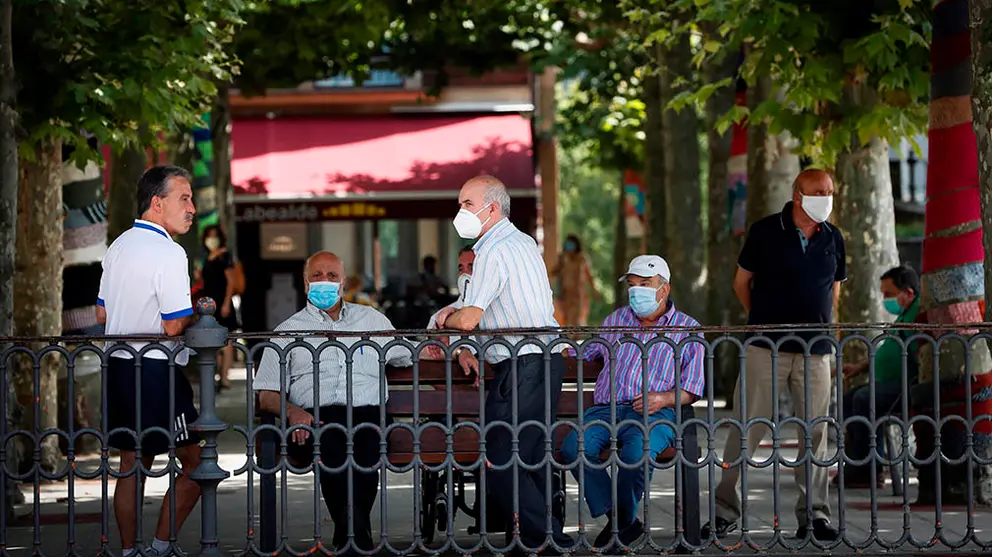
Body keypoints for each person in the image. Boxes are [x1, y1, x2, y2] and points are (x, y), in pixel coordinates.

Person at [704, 168, 847, 541]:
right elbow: (741, 283)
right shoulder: (765, 231)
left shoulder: (834, 237)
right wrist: (763, 323)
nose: (826, 197)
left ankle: (814, 515)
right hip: (765, 346)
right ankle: (724, 511)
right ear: (798, 194)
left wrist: (825, 328)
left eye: (830, 191)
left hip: (815, 351)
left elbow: (833, 290)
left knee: (815, 433)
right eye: (819, 191)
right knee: (745, 428)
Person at [435, 175, 574, 552]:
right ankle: (537, 537)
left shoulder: (493, 253)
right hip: (546, 361)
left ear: (491, 208)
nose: (460, 212)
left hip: (523, 365)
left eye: (467, 203)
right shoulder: (524, 242)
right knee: (528, 457)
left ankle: (547, 538)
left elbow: (469, 319)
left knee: (500, 460)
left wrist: (444, 318)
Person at [253, 251, 412, 554]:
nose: (324, 281)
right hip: (316, 418)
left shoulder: (372, 320)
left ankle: (348, 534)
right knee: (334, 451)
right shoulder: (287, 332)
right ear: (305, 282)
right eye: (317, 276)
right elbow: (267, 394)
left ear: (343, 282)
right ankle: (356, 536)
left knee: (366, 451)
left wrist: (456, 350)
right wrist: (292, 412)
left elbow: (411, 352)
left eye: (331, 276)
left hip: (369, 414)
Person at [560, 255, 705, 550]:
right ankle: (623, 520)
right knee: (572, 447)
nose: (636, 291)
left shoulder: (688, 329)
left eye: (645, 284)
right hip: (606, 409)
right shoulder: (615, 320)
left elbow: (693, 387)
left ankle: (620, 525)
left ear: (663, 289)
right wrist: (559, 348)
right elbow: (584, 353)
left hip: (656, 412)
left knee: (639, 448)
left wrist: (662, 398)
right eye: (632, 285)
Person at [95, 165, 201, 557]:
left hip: (120, 367)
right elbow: (174, 326)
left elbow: (102, 314)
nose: (192, 208)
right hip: (156, 371)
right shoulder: (170, 252)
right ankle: (159, 547)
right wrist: (194, 318)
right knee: (198, 462)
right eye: (184, 198)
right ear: (158, 204)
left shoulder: (118, 245)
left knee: (130, 466)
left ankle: (128, 551)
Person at [834, 265, 920, 488]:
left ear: (908, 293)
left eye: (889, 294)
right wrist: (860, 367)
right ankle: (856, 463)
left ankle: (868, 471)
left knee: (863, 399)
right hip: (889, 383)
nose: (885, 299)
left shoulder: (918, 313)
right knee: (850, 398)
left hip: (907, 386)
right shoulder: (904, 315)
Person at [200, 224, 241, 390]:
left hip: (222, 302)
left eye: (214, 236)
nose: (212, 239)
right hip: (208, 304)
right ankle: (217, 375)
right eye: (209, 236)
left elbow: (230, 282)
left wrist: (226, 302)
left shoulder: (224, 256)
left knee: (227, 342)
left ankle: (225, 376)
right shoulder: (206, 257)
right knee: (213, 342)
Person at [421, 245, 475, 361]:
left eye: (471, 268)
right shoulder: (437, 319)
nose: (465, 275)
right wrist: (458, 352)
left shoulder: (498, 314)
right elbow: (432, 354)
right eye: (461, 269)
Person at [550, 234, 599, 327]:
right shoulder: (563, 258)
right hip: (566, 294)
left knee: (578, 319)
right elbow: (554, 272)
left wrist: (594, 290)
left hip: (579, 295)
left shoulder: (582, 258)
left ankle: (575, 337)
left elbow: (589, 275)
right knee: (567, 319)